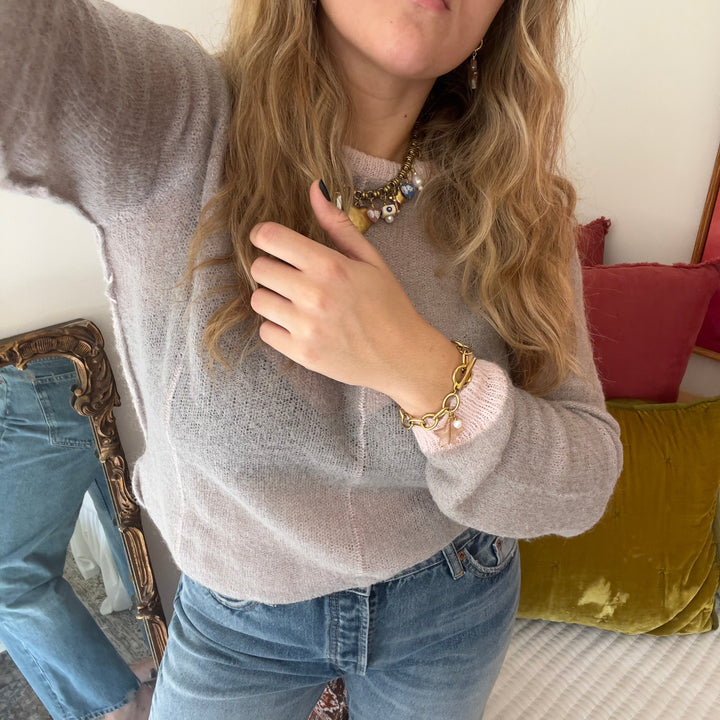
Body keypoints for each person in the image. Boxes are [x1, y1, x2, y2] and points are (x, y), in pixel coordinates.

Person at [0, 0, 624, 718]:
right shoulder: (177, 122)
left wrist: (424, 371)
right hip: (237, 622)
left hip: (455, 598)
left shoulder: (520, 207)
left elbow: (585, 483)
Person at [0, 357, 154, 720]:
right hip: (47, 375)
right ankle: (165, 668)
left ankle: (124, 707)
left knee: (11, 578)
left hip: (41, 378)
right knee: (131, 529)